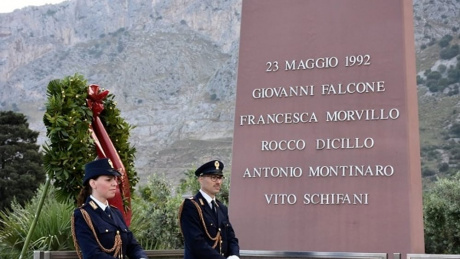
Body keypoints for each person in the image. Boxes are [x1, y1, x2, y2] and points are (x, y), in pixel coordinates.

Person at [71, 158, 148, 259]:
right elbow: (92, 255)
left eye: (114, 179)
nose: (115, 184)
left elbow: (132, 246)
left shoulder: (116, 213)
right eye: (108, 180)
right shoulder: (83, 215)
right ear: (93, 183)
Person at [179, 160, 240, 259]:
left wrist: (234, 255)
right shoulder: (191, 206)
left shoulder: (221, 208)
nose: (218, 182)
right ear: (201, 179)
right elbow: (196, 244)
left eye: (220, 178)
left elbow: (231, 238)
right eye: (213, 178)